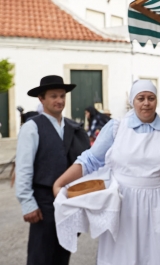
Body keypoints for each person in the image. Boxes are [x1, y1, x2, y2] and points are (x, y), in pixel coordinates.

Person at [53, 80, 160, 265]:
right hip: (122, 205)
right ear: (133, 101)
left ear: (156, 101)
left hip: (157, 202)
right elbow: (89, 160)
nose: (146, 103)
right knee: (120, 257)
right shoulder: (116, 129)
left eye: (151, 98)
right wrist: (60, 183)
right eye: (141, 98)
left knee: (155, 256)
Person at [15, 75, 90, 265]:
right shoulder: (32, 127)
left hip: (69, 199)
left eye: (62, 96)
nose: (59, 101)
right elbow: (24, 168)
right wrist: (28, 203)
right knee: (41, 255)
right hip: (43, 200)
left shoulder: (74, 128)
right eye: (53, 96)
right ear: (41, 99)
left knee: (62, 253)